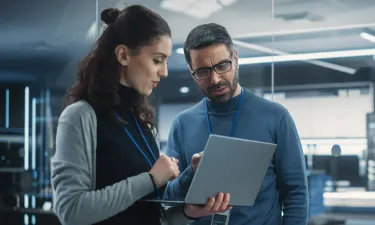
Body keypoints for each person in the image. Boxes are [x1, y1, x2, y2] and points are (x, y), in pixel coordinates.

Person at [51, 6, 231, 225]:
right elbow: (71, 211)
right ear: (123, 55)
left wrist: (188, 213)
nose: (164, 71)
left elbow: (151, 216)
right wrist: (150, 179)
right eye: (157, 60)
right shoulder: (80, 116)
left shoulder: (139, 121)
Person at [163, 23, 309, 224]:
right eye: (203, 71)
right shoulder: (182, 124)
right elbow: (168, 196)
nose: (215, 79)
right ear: (192, 72)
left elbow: (296, 193)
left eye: (222, 65)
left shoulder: (276, 117)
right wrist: (193, 173)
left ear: (236, 59)